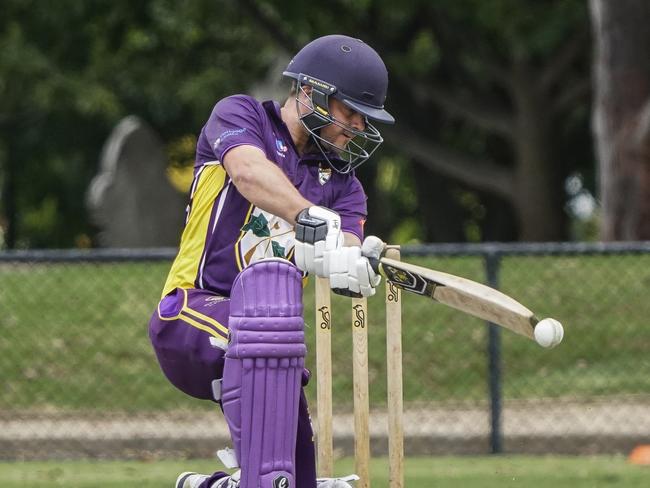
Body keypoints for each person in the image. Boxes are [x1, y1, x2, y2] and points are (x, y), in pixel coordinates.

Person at [148, 34, 395, 488]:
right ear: (310, 91)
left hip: (273, 347)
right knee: (267, 347)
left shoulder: (346, 188)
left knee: (291, 480)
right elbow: (247, 171)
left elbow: (342, 244)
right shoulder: (240, 115)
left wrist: (352, 265)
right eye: (350, 112)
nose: (358, 127)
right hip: (188, 315)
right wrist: (307, 216)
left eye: (366, 118)